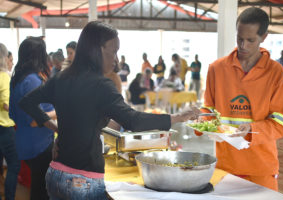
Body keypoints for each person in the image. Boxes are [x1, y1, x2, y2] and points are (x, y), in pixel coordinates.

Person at [18, 21, 200, 200]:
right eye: (113, 51)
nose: (116, 59)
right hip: (84, 180)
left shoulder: (61, 78)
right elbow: (133, 120)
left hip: (56, 175)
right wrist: (177, 117)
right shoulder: (101, 85)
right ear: (98, 49)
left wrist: (53, 127)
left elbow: (26, 102)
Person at [202, 7, 283, 191]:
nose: (243, 46)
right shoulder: (216, 69)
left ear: (264, 37)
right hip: (225, 167)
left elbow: (280, 122)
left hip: (261, 168)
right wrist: (200, 119)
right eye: (239, 39)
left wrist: (252, 129)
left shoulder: (275, 73)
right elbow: (208, 110)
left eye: (251, 40)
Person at [9, 37, 56, 200]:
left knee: (37, 187)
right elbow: (36, 120)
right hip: (39, 145)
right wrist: (57, 111)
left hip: (24, 143)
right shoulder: (33, 81)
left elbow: (13, 114)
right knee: (42, 190)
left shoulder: (17, 80)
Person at [0, 43, 20, 200]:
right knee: (14, 165)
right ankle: (10, 197)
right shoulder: (4, 76)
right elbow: (7, 104)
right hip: (4, 128)